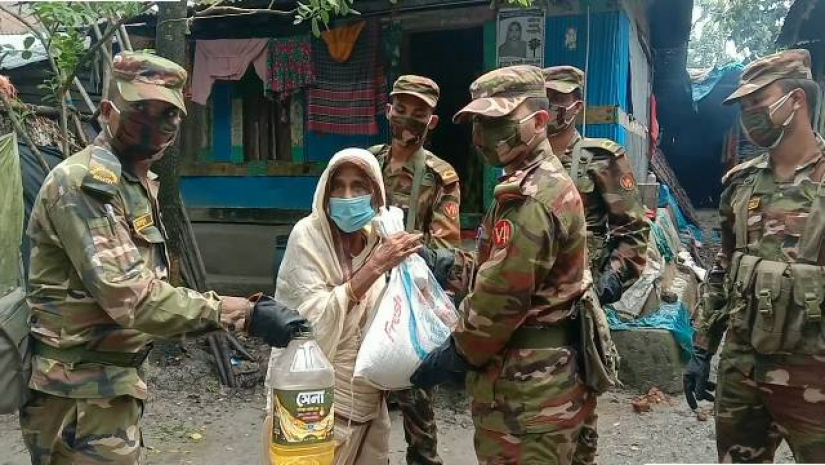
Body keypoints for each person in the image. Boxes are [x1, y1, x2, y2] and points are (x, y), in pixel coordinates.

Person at [20, 51, 307, 464]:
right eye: (143, 111)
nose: (158, 126)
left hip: (107, 385)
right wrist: (242, 313)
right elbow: (133, 298)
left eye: (169, 114)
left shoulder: (133, 180)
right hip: (77, 395)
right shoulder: (84, 184)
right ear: (107, 110)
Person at [413, 65, 593, 465]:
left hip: (528, 398)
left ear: (540, 120)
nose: (480, 138)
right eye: (477, 123)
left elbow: (502, 299)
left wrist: (456, 353)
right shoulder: (523, 184)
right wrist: (444, 264)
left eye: (495, 123)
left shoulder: (532, 197)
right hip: (539, 387)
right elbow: (499, 270)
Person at [684, 49, 825, 463]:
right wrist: (702, 348)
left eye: (757, 103)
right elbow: (724, 268)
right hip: (743, 372)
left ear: (796, 100)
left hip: (814, 377)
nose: (748, 116)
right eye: (744, 107)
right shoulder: (741, 183)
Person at [271, 148, 423, 465]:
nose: (347, 195)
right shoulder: (308, 236)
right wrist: (373, 270)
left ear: (376, 194)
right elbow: (308, 325)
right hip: (313, 396)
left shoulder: (380, 240)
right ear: (325, 192)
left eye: (359, 186)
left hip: (367, 400)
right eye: (338, 186)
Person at [543, 65, 650, 465]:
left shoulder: (599, 157)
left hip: (580, 302)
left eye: (561, 99)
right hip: (531, 301)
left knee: (580, 404)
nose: (554, 107)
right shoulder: (521, 158)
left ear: (577, 106)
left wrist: (609, 283)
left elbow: (635, 230)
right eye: (546, 99)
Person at [369, 75, 461, 465]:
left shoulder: (441, 176)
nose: (408, 118)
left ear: (432, 122)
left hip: (409, 299)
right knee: (358, 393)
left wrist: (402, 252)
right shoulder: (366, 163)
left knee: (415, 398)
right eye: (401, 109)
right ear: (388, 111)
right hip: (364, 288)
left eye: (419, 112)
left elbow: (445, 247)